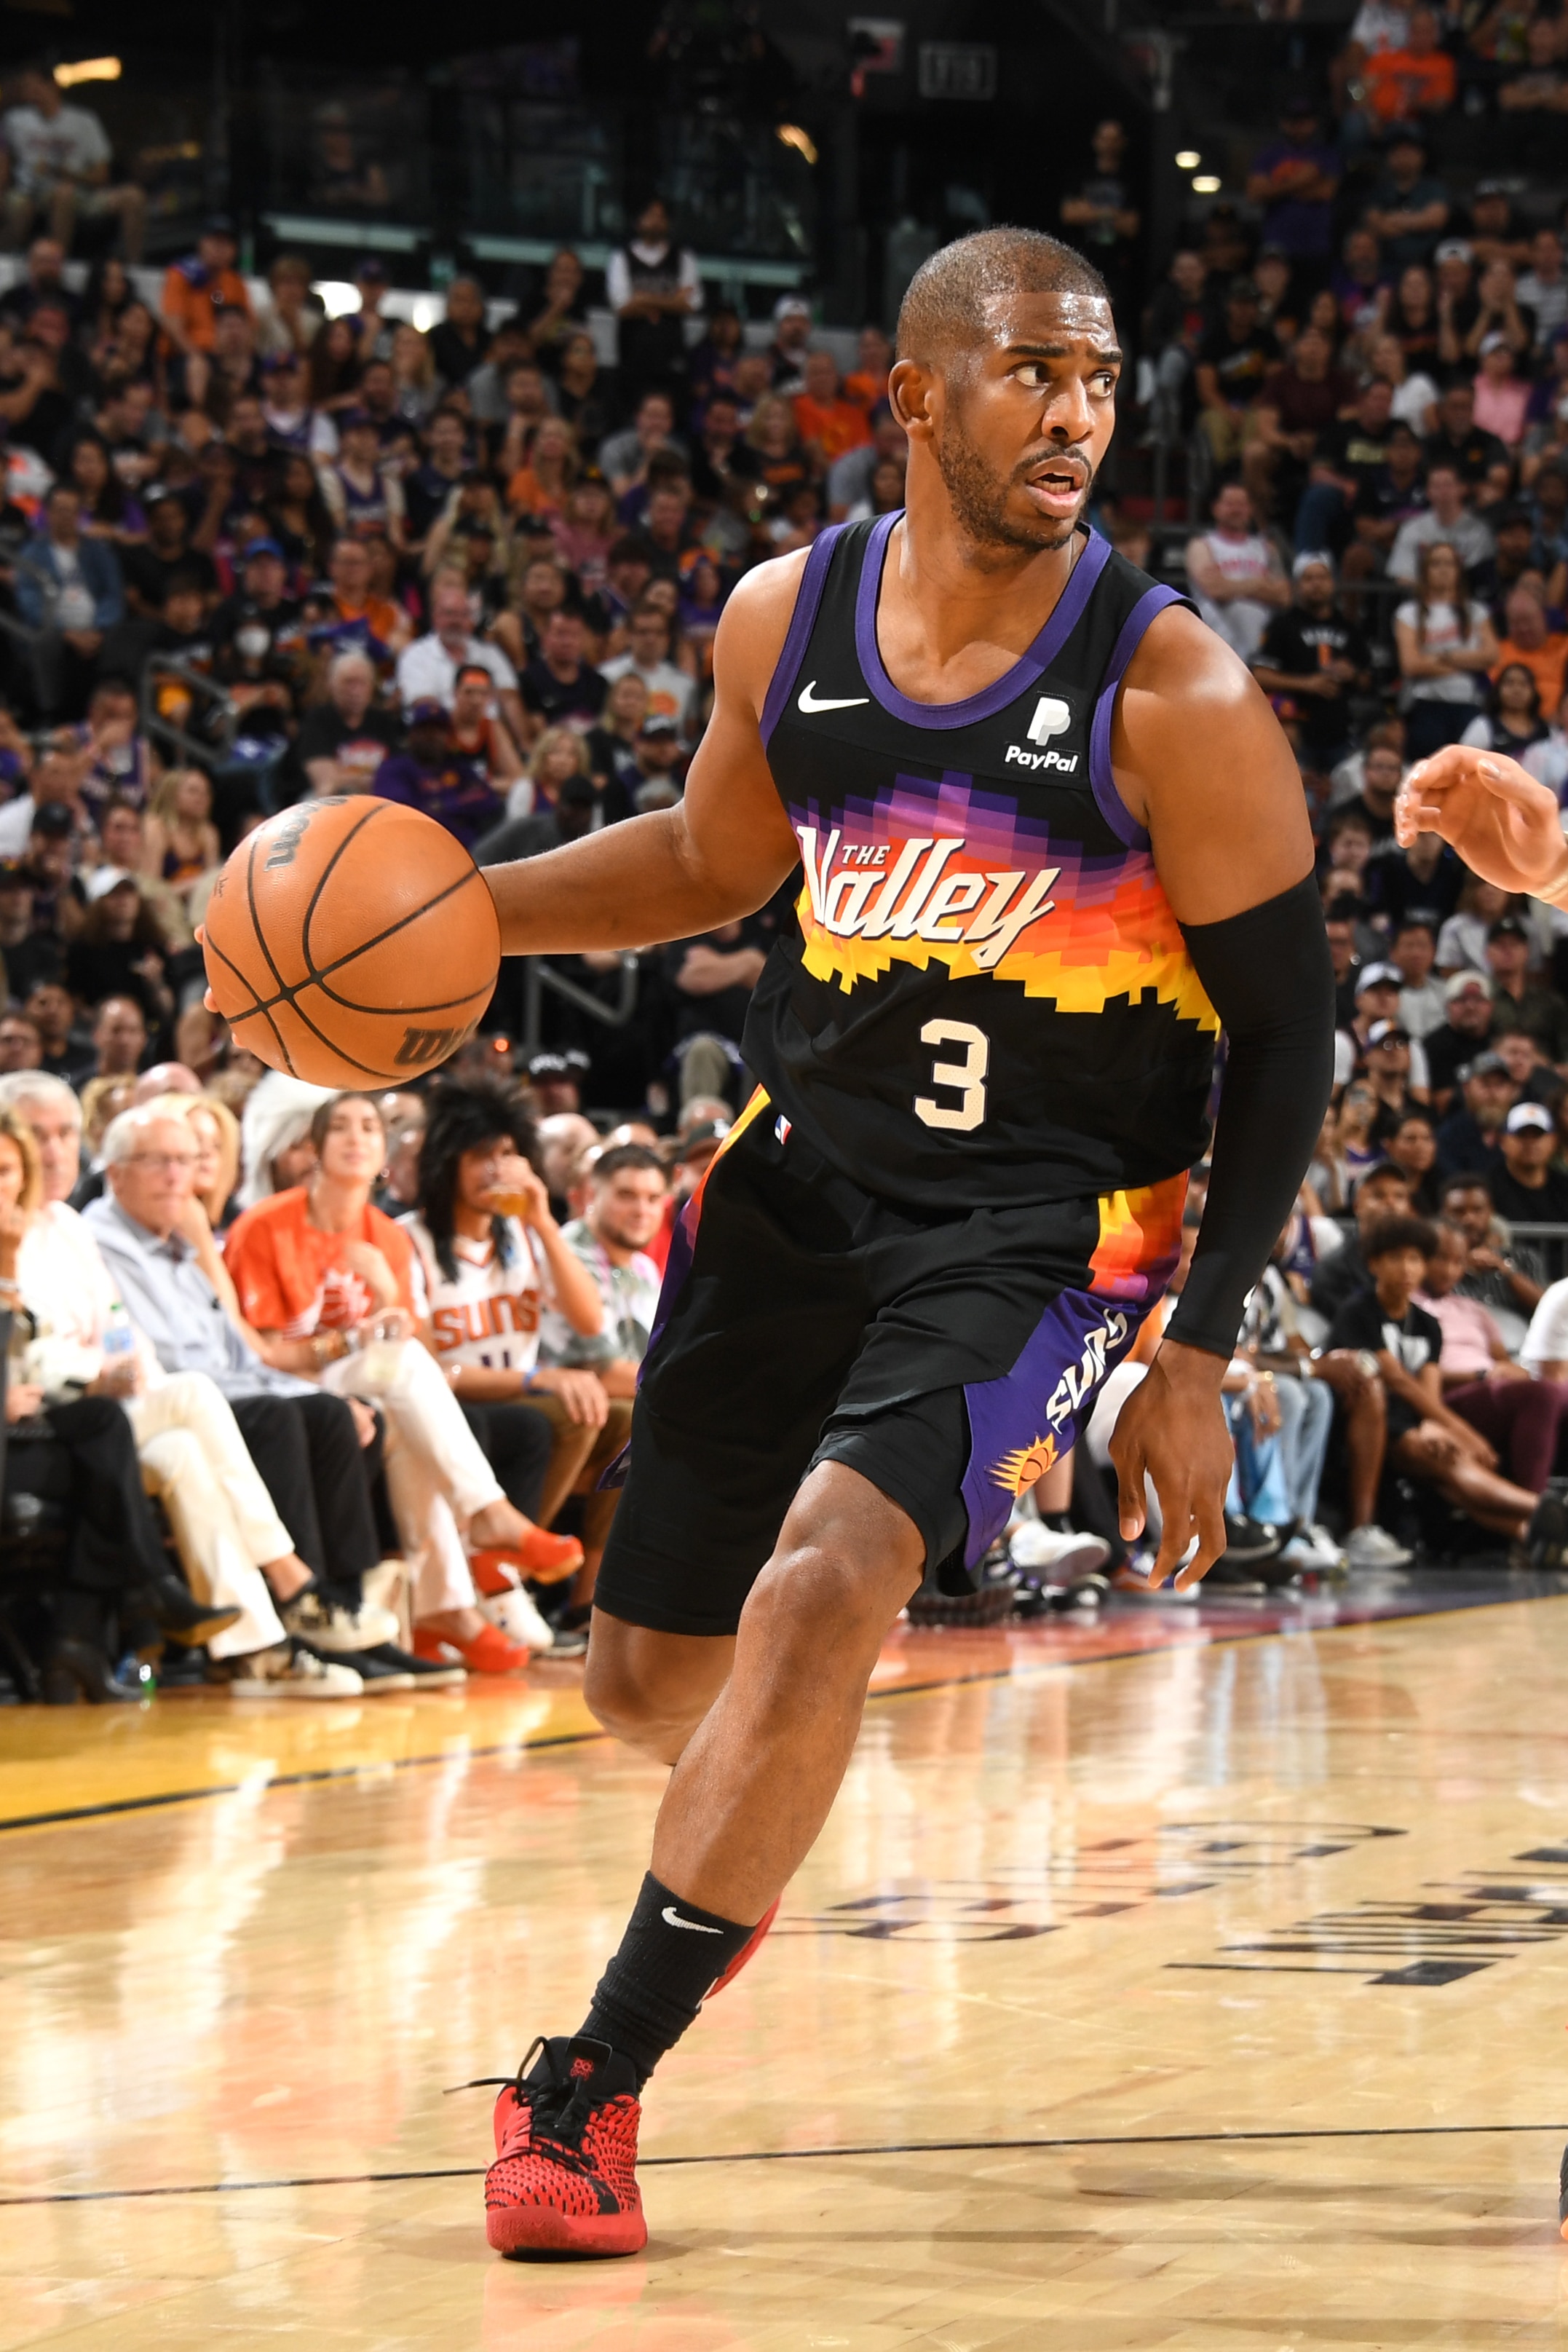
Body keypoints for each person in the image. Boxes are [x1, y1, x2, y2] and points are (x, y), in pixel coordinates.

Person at [460, 226, 1334, 2254]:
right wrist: (462, 912)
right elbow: (702, 861)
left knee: (826, 1581)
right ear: (914, 395)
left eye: (1102, 379)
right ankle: (743, 1834)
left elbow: (1290, 1032)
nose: (1077, 414)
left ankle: (580, 2089)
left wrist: (1195, 1342)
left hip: (1039, 1222)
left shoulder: (1170, 678)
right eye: (1033, 371)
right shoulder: (788, 619)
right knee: (646, 1682)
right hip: (791, 1180)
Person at [222, 1090, 582, 1672]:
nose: (356, 1136)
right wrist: (354, 1339)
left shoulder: (386, 1238)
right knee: (407, 1370)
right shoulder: (264, 1227)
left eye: (369, 1125)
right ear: (313, 1147)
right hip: (279, 1386)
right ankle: (486, 1522)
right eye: (339, 1126)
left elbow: (407, 1341)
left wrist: (388, 1303)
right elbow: (257, 1354)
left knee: (412, 1400)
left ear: (384, 1152)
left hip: (365, 1385)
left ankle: (447, 1606)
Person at [404, 1079, 627, 1625]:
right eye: (481, 1155)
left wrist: (544, 1220)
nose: (496, 1170)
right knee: (567, 1413)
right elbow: (431, 1373)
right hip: (451, 1408)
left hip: (518, 1400)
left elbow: (590, 1320)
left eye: (507, 1154)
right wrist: (538, 1381)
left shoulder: (522, 1236)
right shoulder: (409, 1240)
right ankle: (505, 1572)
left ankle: (582, 1600)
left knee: (628, 1421)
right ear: (445, 1162)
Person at [1326, 1213, 1556, 1554]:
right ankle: (1541, 1509)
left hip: (1412, 1423)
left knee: (1450, 1476)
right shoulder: (1358, 1312)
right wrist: (1462, 1432)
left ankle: (1530, 1535)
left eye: (1415, 1259)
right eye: (1396, 1258)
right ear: (1374, 1264)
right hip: (1369, 1422)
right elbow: (1399, 1382)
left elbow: (1429, 1389)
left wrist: (1438, 1426)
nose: (1407, 1269)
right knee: (1453, 1463)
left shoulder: (1428, 1324)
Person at [1184, 481, 1291, 663]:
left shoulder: (1266, 548)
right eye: (1230, 504)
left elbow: (1284, 596)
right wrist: (1259, 583)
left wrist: (1230, 586)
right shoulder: (1202, 546)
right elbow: (1215, 590)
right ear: (1216, 508)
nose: (1237, 510)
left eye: (1243, 504)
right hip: (1217, 644)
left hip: (1261, 646)